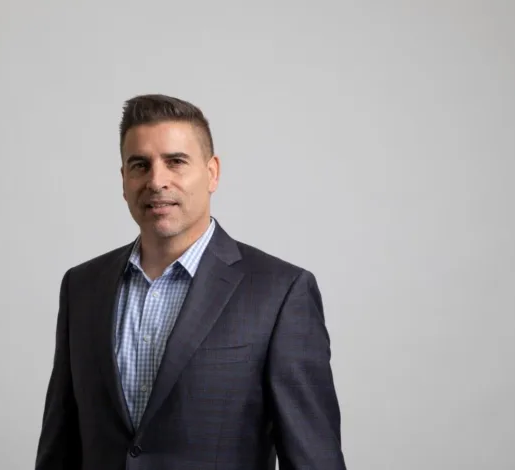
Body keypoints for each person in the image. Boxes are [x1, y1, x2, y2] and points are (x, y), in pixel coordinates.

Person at [34, 94, 347, 469]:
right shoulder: (82, 287)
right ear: (123, 179)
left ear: (212, 172)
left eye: (176, 162)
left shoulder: (281, 292)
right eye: (140, 165)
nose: (156, 181)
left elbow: (314, 459)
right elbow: (59, 447)